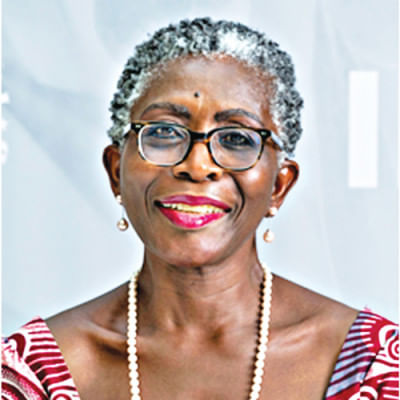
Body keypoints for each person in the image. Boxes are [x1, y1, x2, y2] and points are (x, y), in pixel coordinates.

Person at [2, 17, 398, 400]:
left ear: (279, 186)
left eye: (237, 139)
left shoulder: (374, 368)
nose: (196, 165)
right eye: (163, 132)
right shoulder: (31, 374)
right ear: (116, 172)